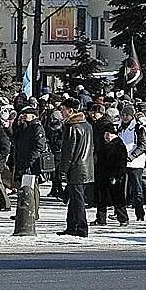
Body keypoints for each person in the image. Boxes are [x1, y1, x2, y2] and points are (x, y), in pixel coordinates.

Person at [57, 98, 93, 237]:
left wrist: (63, 171)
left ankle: (82, 228)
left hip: (76, 168)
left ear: (70, 111)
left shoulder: (72, 127)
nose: (61, 112)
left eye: (63, 109)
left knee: (78, 200)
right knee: (74, 198)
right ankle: (72, 226)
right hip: (85, 166)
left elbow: (68, 152)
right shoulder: (87, 125)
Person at [12, 105, 48, 220]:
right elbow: (15, 138)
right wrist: (19, 125)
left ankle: (33, 211)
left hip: (31, 163)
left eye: (25, 114)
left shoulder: (37, 127)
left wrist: (30, 161)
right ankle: (23, 211)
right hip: (22, 160)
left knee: (33, 188)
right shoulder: (25, 126)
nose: (23, 116)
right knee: (23, 187)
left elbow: (39, 146)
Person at [118, 102, 146, 222]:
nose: (125, 117)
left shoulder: (138, 128)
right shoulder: (120, 127)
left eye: (128, 115)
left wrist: (131, 156)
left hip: (136, 163)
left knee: (137, 189)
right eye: (123, 115)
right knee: (122, 189)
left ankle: (140, 213)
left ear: (132, 116)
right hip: (122, 162)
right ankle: (122, 214)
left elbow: (142, 146)